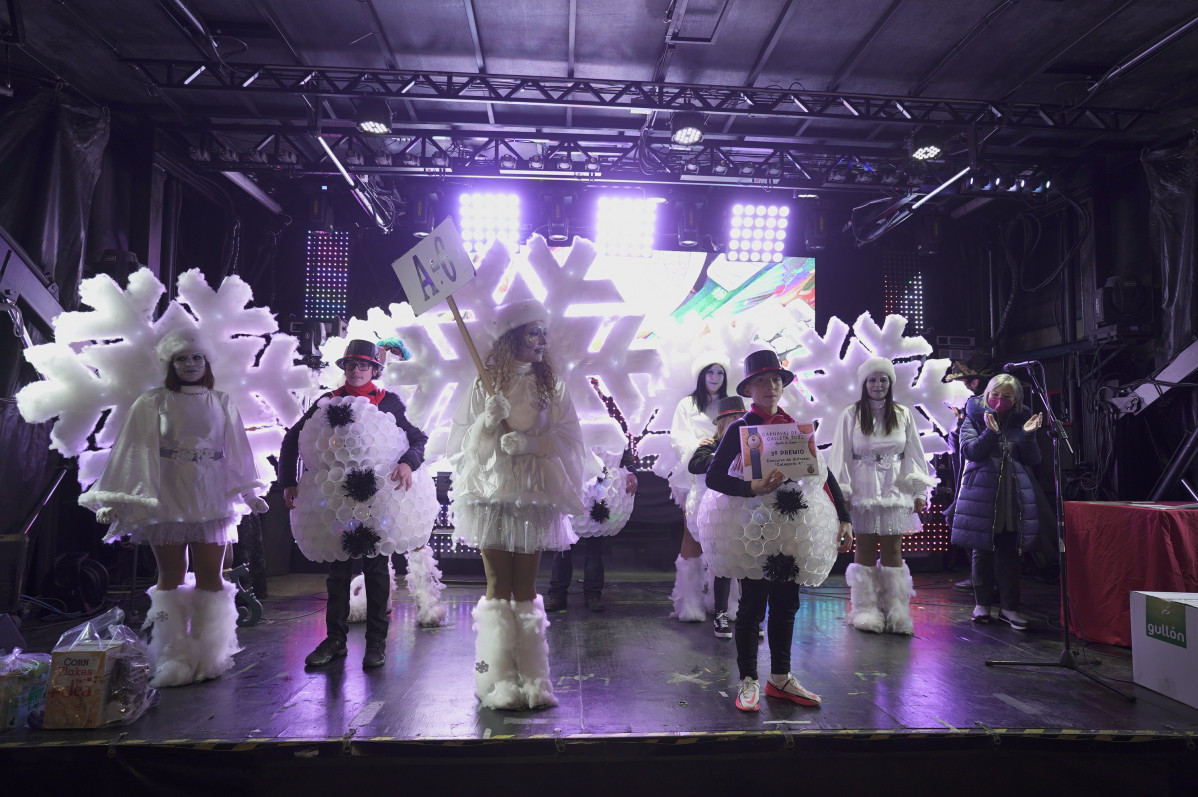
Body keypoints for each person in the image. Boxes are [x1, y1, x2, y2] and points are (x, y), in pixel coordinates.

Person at [79, 329, 269, 688]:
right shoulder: (153, 402)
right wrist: (119, 499)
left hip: (211, 498)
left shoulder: (222, 401)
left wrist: (248, 493)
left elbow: (239, 451)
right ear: (171, 363)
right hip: (168, 497)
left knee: (213, 579)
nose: (190, 364)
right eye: (182, 358)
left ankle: (210, 655)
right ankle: (172, 656)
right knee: (169, 579)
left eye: (196, 357)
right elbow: (132, 450)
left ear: (206, 362)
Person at [448, 298, 586, 710]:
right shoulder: (482, 383)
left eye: (544, 331)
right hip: (491, 496)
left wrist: (533, 443)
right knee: (497, 586)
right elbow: (461, 446)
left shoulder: (553, 385)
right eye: (533, 332)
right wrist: (487, 423)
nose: (543, 340)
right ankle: (494, 678)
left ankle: (533, 679)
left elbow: (570, 438)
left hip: (532, 496)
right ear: (512, 338)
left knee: (525, 588)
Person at [705, 350, 854, 712]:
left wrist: (845, 517)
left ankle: (781, 678)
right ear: (750, 388)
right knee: (752, 606)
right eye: (762, 381)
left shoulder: (794, 427)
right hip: (754, 531)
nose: (770, 387)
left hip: (793, 529)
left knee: (787, 604)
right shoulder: (741, 428)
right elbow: (713, 476)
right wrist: (751, 489)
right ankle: (748, 679)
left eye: (775, 380)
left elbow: (824, 474)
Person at [280, 339, 429, 669]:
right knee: (338, 571)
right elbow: (292, 438)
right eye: (351, 365)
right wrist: (288, 480)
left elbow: (419, 439)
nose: (357, 371)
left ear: (375, 369)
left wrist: (407, 462)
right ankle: (335, 640)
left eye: (364, 365)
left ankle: (376, 641)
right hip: (336, 501)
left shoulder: (388, 402)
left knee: (376, 570)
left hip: (378, 499)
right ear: (344, 368)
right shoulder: (326, 402)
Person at [829, 357, 937, 635]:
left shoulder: (902, 413)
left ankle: (896, 610)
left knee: (893, 549)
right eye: (873, 380)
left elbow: (915, 454)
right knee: (863, 547)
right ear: (864, 384)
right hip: (863, 490)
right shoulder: (851, 414)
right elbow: (840, 456)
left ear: (891, 383)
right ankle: (864, 609)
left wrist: (920, 490)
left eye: (883, 379)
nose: (878, 385)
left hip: (895, 489)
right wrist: (843, 493)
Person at [950, 373, 1043, 631]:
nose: (999, 400)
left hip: (1012, 494)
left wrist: (1028, 435)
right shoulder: (973, 417)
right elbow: (970, 451)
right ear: (986, 395)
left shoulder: (1023, 419)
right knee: (982, 550)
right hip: (981, 493)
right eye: (995, 395)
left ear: (1015, 400)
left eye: (1006, 396)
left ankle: (1010, 608)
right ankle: (982, 605)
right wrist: (990, 434)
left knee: (1011, 551)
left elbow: (1033, 459)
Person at [668, 354, 730, 623]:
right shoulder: (687, 404)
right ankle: (690, 603)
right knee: (692, 536)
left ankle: (724, 603)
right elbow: (678, 437)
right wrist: (700, 445)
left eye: (720, 372)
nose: (715, 377)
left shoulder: (729, 405)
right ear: (701, 374)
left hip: (726, 480)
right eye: (710, 372)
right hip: (694, 478)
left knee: (725, 540)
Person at [546, 448, 637, 613]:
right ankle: (557, 595)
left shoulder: (609, 423)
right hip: (571, 486)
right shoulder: (567, 422)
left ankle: (593, 596)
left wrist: (631, 471)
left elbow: (624, 451)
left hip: (601, 490)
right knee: (562, 548)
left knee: (594, 549)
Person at [687, 395, 747, 638]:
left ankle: (745, 614)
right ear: (722, 422)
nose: (738, 421)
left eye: (741, 417)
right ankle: (720, 614)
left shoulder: (753, 442)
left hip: (746, 508)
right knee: (721, 561)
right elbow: (695, 465)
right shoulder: (711, 443)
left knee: (746, 560)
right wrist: (727, 456)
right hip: (719, 512)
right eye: (732, 417)